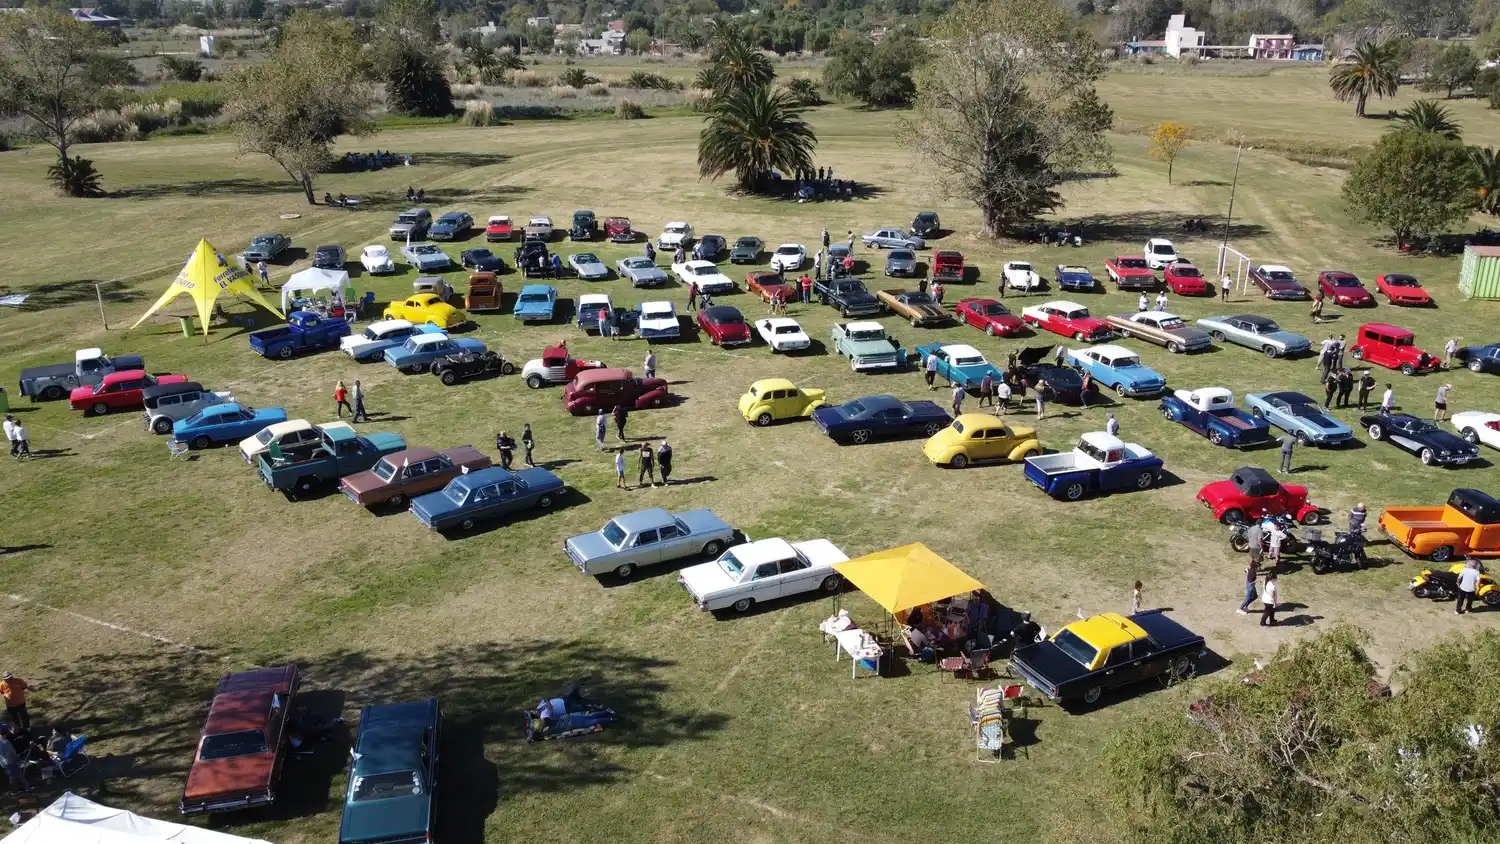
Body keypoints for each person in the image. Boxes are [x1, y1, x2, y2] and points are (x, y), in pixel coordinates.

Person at [0, 725, 29, 792]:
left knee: (17, 774)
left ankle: (26, 786)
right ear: (7, 732)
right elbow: (12, 753)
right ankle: (15, 790)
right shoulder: (6, 743)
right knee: (13, 776)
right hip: (10, 762)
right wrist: (18, 758)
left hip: (3, 762)